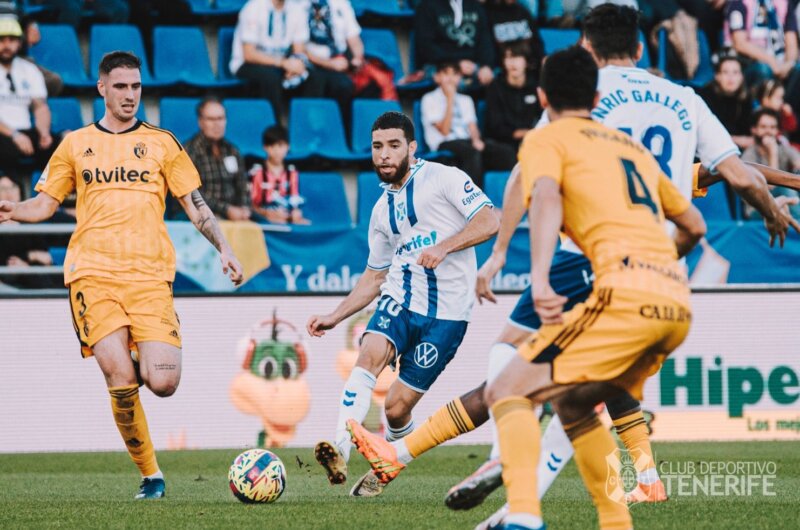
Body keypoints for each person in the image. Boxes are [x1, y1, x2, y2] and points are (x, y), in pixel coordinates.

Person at [345, 3, 797, 519]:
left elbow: (535, 188)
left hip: (583, 263)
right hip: (665, 286)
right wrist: (770, 201)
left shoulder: (565, 121)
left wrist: (507, 261)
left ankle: (503, 478)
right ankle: (641, 478)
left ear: (578, 59)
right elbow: (723, 182)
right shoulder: (673, 110)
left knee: (510, 376)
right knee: (582, 396)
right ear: (643, 46)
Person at [0, 51, 244, 499]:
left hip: (151, 278)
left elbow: (195, 204)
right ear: (102, 89)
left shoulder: (162, 143)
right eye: (120, 87)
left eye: (135, 87)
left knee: (165, 381)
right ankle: (152, 476)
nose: (129, 95)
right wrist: (16, 210)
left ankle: (133, 358)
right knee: (119, 377)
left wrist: (225, 248)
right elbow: (46, 203)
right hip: (92, 274)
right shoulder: (75, 143)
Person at [482, 44, 705, 530]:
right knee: (575, 404)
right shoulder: (634, 150)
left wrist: (537, 276)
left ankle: (522, 517)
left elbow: (543, 195)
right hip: (676, 306)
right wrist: (662, 267)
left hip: (622, 297)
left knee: (507, 388)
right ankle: (615, 521)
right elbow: (695, 226)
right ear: (598, 95)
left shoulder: (548, 138)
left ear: (542, 97)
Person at [305, 111, 498, 496]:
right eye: (378, 147)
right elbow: (375, 276)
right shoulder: (380, 211)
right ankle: (339, 449)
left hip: (447, 316)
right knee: (369, 354)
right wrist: (334, 315)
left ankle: (393, 460)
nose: (384, 155)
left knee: (396, 408)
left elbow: (490, 219)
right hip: (402, 298)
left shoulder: (444, 179)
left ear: (412, 147)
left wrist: (444, 247)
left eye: (394, 146)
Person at [421, 61, 515, 186]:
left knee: (506, 152)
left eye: (455, 74)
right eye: (445, 74)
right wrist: (450, 99)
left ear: (460, 78)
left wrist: (476, 140)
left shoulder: (466, 99)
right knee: (472, 153)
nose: (450, 79)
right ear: (437, 77)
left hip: (466, 141)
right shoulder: (429, 99)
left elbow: (472, 125)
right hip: (444, 143)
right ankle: (474, 202)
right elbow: (444, 130)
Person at [230, 0, 320, 120]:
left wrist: (295, 67)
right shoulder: (253, 8)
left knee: (312, 76)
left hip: (282, 64)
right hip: (246, 64)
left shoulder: (296, 10)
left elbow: (299, 50)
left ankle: (304, 128)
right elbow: (249, 54)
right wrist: (283, 63)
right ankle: (276, 132)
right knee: (271, 78)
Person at [0, 16, 56, 176]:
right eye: (1, 40)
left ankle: (55, 197)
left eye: (11, 40)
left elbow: (40, 106)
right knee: (7, 151)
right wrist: (14, 135)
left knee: (59, 144)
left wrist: (44, 132)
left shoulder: (29, 69)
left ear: (19, 43)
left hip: (25, 132)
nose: (6, 45)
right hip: (4, 134)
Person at [184, 97, 252, 222]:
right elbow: (191, 194)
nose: (217, 124)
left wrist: (244, 209)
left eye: (221, 118)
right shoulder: (189, 151)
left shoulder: (233, 150)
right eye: (211, 119)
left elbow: (242, 186)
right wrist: (226, 210)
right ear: (200, 122)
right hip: (199, 213)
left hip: (233, 215)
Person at [725, 0, 800, 111]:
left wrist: (788, 64)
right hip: (750, 64)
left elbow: (792, 43)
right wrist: (771, 62)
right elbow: (740, 43)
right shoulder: (739, 3)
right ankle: (761, 115)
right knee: (763, 69)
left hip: (780, 63)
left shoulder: (783, 3)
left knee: (797, 69)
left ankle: (787, 115)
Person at [413, 0, 496, 88]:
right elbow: (426, 47)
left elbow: (485, 41)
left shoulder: (476, 6)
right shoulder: (427, 6)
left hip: (472, 65)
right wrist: (456, 63)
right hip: (440, 65)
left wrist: (486, 66)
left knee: (494, 78)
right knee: (456, 82)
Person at [304, 0, 361, 121]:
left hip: (337, 62)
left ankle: (343, 135)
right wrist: (329, 64)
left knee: (345, 85)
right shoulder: (299, 4)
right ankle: (313, 133)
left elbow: (354, 39)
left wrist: (357, 59)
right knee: (316, 81)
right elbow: (298, 47)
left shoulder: (342, 3)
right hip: (309, 63)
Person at [484, 41, 542, 159]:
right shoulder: (495, 87)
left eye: (517, 57)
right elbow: (495, 126)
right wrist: (522, 134)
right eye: (508, 57)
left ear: (526, 61)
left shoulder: (536, 87)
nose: (513, 62)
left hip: (532, 140)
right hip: (502, 143)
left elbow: (543, 117)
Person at [742, 108, 800, 218]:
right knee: (785, 189)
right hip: (758, 209)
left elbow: (798, 161)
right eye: (763, 127)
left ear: (777, 131)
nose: (768, 131)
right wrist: (772, 154)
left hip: (786, 204)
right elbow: (769, 188)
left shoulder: (783, 149)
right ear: (754, 129)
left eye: (772, 127)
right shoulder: (748, 156)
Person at [250, 124, 309, 224]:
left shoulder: (292, 172)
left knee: (305, 223)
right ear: (265, 148)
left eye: (280, 145)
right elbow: (250, 205)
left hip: (286, 216)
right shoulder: (256, 172)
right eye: (272, 146)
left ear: (288, 146)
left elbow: (294, 198)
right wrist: (266, 213)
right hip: (263, 218)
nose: (277, 150)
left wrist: (295, 212)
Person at [698, 54, 754, 149]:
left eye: (735, 72)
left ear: (741, 77)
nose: (730, 77)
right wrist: (736, 139)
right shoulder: (706, 96)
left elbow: (749, 136)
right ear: (717, 76)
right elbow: (707, 135)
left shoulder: (746, 99)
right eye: (725, 72)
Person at [485, 0, 545, 72]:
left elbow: (536, 42)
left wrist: (541, 58)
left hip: (528, 67)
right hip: (501, 68)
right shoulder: (487, 13)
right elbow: (487, 47)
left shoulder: (523, 11)